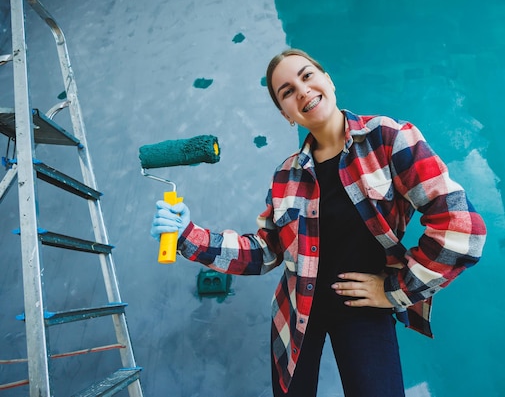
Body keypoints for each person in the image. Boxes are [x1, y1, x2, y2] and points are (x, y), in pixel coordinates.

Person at [150, 48, 487, 397]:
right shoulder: (286, 174)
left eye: (307, 76)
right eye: (287, 91)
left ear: (328, 80)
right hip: (296, 310)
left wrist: (394, 290)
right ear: (286, 114)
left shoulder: (387, 138)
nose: (302, 90)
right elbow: (266, 251)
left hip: (364, 307)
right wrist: (187, 234)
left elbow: (463, 228)